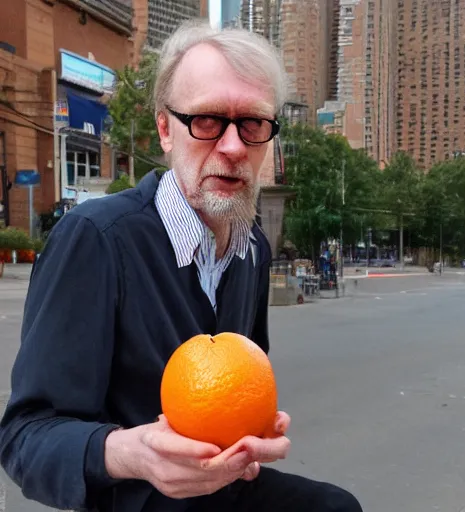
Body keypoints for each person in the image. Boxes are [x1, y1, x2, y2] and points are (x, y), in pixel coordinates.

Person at [0, 20, 363, 512]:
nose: (233, 147)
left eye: (252, 124)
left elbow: (244, 388)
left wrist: (253, 441)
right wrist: (133, 454)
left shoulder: (252, 247)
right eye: (207, 121)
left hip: (224, 494)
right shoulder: (97, 240)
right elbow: (25, 439)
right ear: (166, 129)